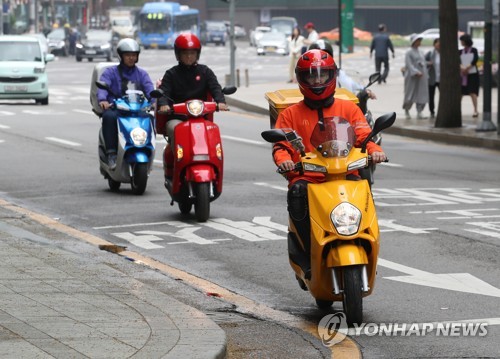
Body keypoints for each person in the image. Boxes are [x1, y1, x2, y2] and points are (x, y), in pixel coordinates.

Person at [271, 49, 386, 273]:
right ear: (302, 79)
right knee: (296, 193)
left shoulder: (349, 108)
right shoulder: (290, 114)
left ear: (331, 76)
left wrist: (375, 150)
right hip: (308, 177)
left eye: (322, 75)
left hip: (346, 173)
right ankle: (307, 253)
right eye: (311, 76)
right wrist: (283, 160)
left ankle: (366, 240)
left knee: (365, 191)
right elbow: (281, 145)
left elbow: (364, 136)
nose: (317, 80)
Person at [157, 33, 229, 161]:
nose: (189, 56)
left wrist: (220, 101)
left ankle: (212, 160)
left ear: (197, 54)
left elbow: (215, 88)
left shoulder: (205, 72)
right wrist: (164, 104)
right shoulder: (171, 74)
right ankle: (179, 162)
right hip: (178, 118)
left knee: (213, 129)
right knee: (175, 129)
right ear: (178, 54)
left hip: (201, 118)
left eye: (192, 53)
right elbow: (164, 92)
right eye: (185, 53)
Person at [96, 38, 155, 170]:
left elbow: (150, 89)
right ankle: (111, 153)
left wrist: (155, 102)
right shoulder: (110, 72)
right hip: (117, 109)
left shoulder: (142, 74)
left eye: (134, 55)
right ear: (121, 56)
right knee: (109, 117)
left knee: (150, 118)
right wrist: (103, 100)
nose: (131, 58)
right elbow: (102, 88)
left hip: (136, 110)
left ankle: (148, 147)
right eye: (128, 55)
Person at [308, 40, 376, 100]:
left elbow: (351, 84)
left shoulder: (338, 73)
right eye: (317, 56)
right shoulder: (307, 74)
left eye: (325, 55)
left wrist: (365, 90)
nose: (317, 80)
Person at [402, 34, 429, 119]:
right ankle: (407, 109)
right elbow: (409, 64)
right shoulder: (409, 52)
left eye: (420, 41)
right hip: (412, 77)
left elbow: (423, 62)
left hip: (422, 77)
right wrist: (416, 72)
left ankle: (419, 111)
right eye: (418, 41)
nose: (419, 42)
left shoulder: (421, 52)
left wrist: (428, 64)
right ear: (414, 42)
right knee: (410, 93)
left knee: (421, 93)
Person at [459, 34, 480, 118]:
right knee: (460, 93)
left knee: (472, 92)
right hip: (462, 73)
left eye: (462, 40)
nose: (461, 42)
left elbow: (475, 59)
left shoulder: (474, 50)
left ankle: (475, 110)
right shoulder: (460, 51)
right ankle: (458, 109)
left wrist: (467, 68)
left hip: (472, 74)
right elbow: (458, 61)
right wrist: (462, 68)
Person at [425, 38, 440, 118]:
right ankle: (432, 111)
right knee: (431, 96)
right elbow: (423, 62)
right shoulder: (430, 53)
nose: (439, 46)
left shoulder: (445, 54)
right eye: (437, 44)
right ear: (434, 45)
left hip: (441, 79)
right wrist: (429, 63)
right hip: (432, 78)